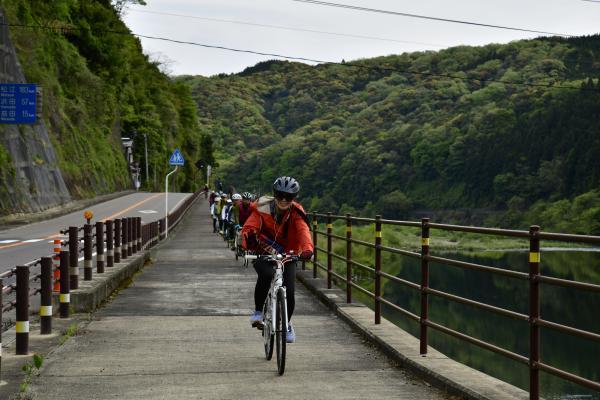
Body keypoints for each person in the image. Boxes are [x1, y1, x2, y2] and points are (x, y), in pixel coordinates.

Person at [242, 176, 313, 343]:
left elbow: (303, 231)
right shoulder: (262, 208)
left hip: (288, 254)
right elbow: (249, 227)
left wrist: (308, 250)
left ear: (293, 198)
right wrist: (249, 240)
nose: (283, 200)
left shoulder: (297, 212)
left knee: (290, 290)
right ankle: (259, 312)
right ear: (274, 194)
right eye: (280, 195)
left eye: (288, 197)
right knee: (266, 274)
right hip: (263, 251)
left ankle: (286, 324)